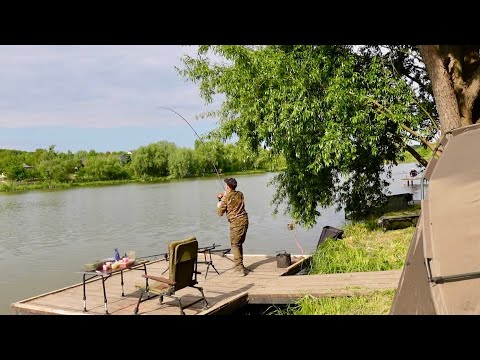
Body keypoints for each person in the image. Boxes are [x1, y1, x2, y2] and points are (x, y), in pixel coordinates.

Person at [217, 178, 250, 276]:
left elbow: (220, 212)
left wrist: (220, 199)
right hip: (244, 221)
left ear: (227, 186)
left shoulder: (226, 197)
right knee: (239, 243)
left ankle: (240, 269)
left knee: (235, 244)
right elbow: (233, 200)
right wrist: (225, 196)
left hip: (236, 223)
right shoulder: (240, 194)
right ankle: (240, 265)